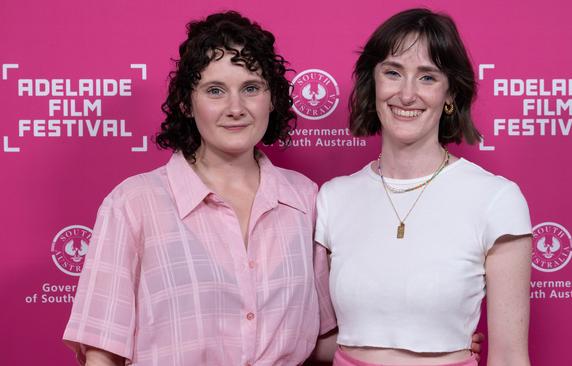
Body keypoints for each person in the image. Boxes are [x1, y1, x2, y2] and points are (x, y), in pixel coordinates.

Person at [62, 11, 336, 365]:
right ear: (186, 104)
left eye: (251, 88)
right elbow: (102, 353)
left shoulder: (306, 199)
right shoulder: (134, 203)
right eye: (215, 91)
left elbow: (324, 339)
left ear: (272, 99)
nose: (235, 108)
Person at [315, 8, 532, 366]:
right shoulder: (332, 198)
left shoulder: (495, 199)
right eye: (393, 72)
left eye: (427, 77)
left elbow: (509, 356)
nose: (407, 94)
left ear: (450, 94)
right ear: (373, 82)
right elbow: (309, 339)